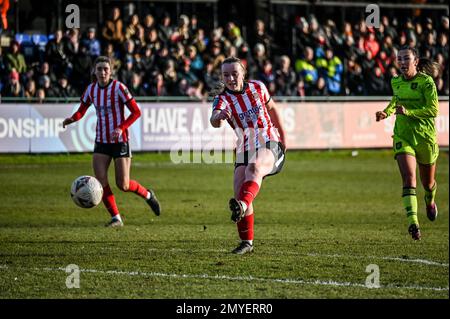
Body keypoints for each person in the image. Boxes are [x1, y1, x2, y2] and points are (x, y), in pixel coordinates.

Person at [62, 56, 161, 227]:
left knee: (123, 184)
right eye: (99, 69)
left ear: (111, 71)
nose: (102, 72)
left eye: (106, 69)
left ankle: (148, 195)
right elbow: (81, 111)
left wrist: (121, 127)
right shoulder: (91, 90)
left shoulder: (119, 88)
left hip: (120, 140)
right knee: (100, 180)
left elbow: (136, 112)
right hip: (101, 141)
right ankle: (116, 217)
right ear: (94, 71)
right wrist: (72, 119)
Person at [210, 56, 286, 254]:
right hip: (244, 148)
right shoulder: (222, 99)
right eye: (226, 75)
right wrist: (218, 117)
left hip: (269, 141)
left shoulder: (258, 87)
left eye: (235, 73)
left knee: (254, 168)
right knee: (239, 192)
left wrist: (283, 138)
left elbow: (273, 109)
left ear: (243, 73)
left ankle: (243, 206)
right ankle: (247, 243)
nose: (231, 78)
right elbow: (214, 120)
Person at [375, 46, 440, 241]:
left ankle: (430, 201)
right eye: (399, 59)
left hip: (425, 138)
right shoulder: (396, 81)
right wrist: (386, 112)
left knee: (427, 184)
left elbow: (433, 110)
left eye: (406, 59)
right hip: (403, 136)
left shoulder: (427, 82)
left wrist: (410, 112)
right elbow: (396, 100)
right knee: (409, 177)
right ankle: (413, 223)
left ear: (416, 61)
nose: (402, 62)